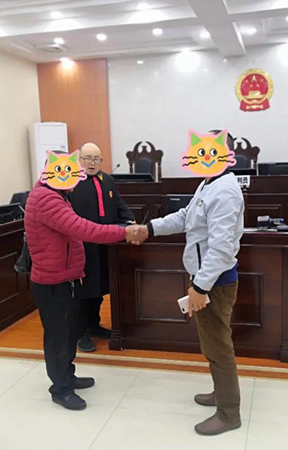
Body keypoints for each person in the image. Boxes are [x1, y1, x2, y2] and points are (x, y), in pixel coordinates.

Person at [138, 130, 244, 436]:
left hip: (214, 282)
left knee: (219, 346)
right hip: (206, 278)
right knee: (211, 342)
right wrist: (150, 228)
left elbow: (221, 248)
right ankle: (220, 393)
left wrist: (200, 287)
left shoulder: (225, 191)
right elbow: (186, 216)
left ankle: (229, 413)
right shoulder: (209, 182)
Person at [25, 150, 144, 411]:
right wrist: (124, 231)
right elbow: (82, 228)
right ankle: (60, 389)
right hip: (52, 281)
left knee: (69, 332)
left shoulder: (58, 195)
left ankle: (68, 376)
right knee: (58, 337)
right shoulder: (46, 199)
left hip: (65, 277)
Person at [68, 142, 135, 352]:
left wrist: (130, 220)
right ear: (79, 159)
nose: (92, 163)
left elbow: (119, 205)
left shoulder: (108, 180)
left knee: (99, 287)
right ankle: (80, 332)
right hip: (81, 245)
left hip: (106, 244)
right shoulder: (71, 182)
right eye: (88, 158)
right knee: (83, 290)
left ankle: (93, 324)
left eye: (96, 159)